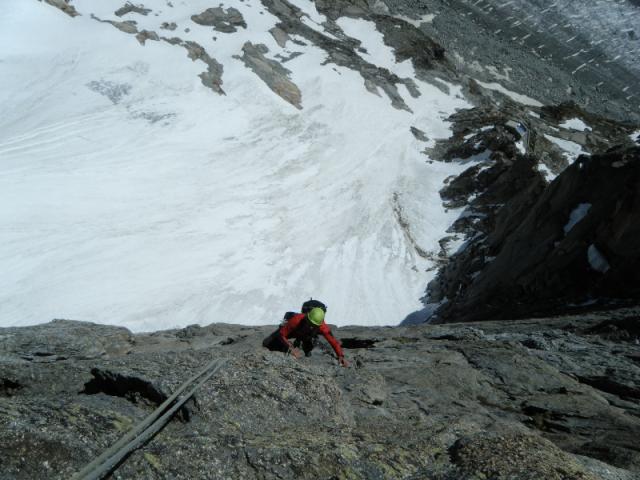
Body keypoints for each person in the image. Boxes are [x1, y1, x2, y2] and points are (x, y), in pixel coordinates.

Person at [263, 305, 348, 367]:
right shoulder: (296, 320)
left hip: (307, 335)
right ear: (306, 317)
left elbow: (333, 341)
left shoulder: (323, 327)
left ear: (319, 325)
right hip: (294, 331)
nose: (310, 325)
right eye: (309, 322)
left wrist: (341, 356)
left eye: (313, 325)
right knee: (267, 343)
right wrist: (290, 348)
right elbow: (281, 334)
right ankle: (295, 345)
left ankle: (307, 344)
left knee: (308, 348)